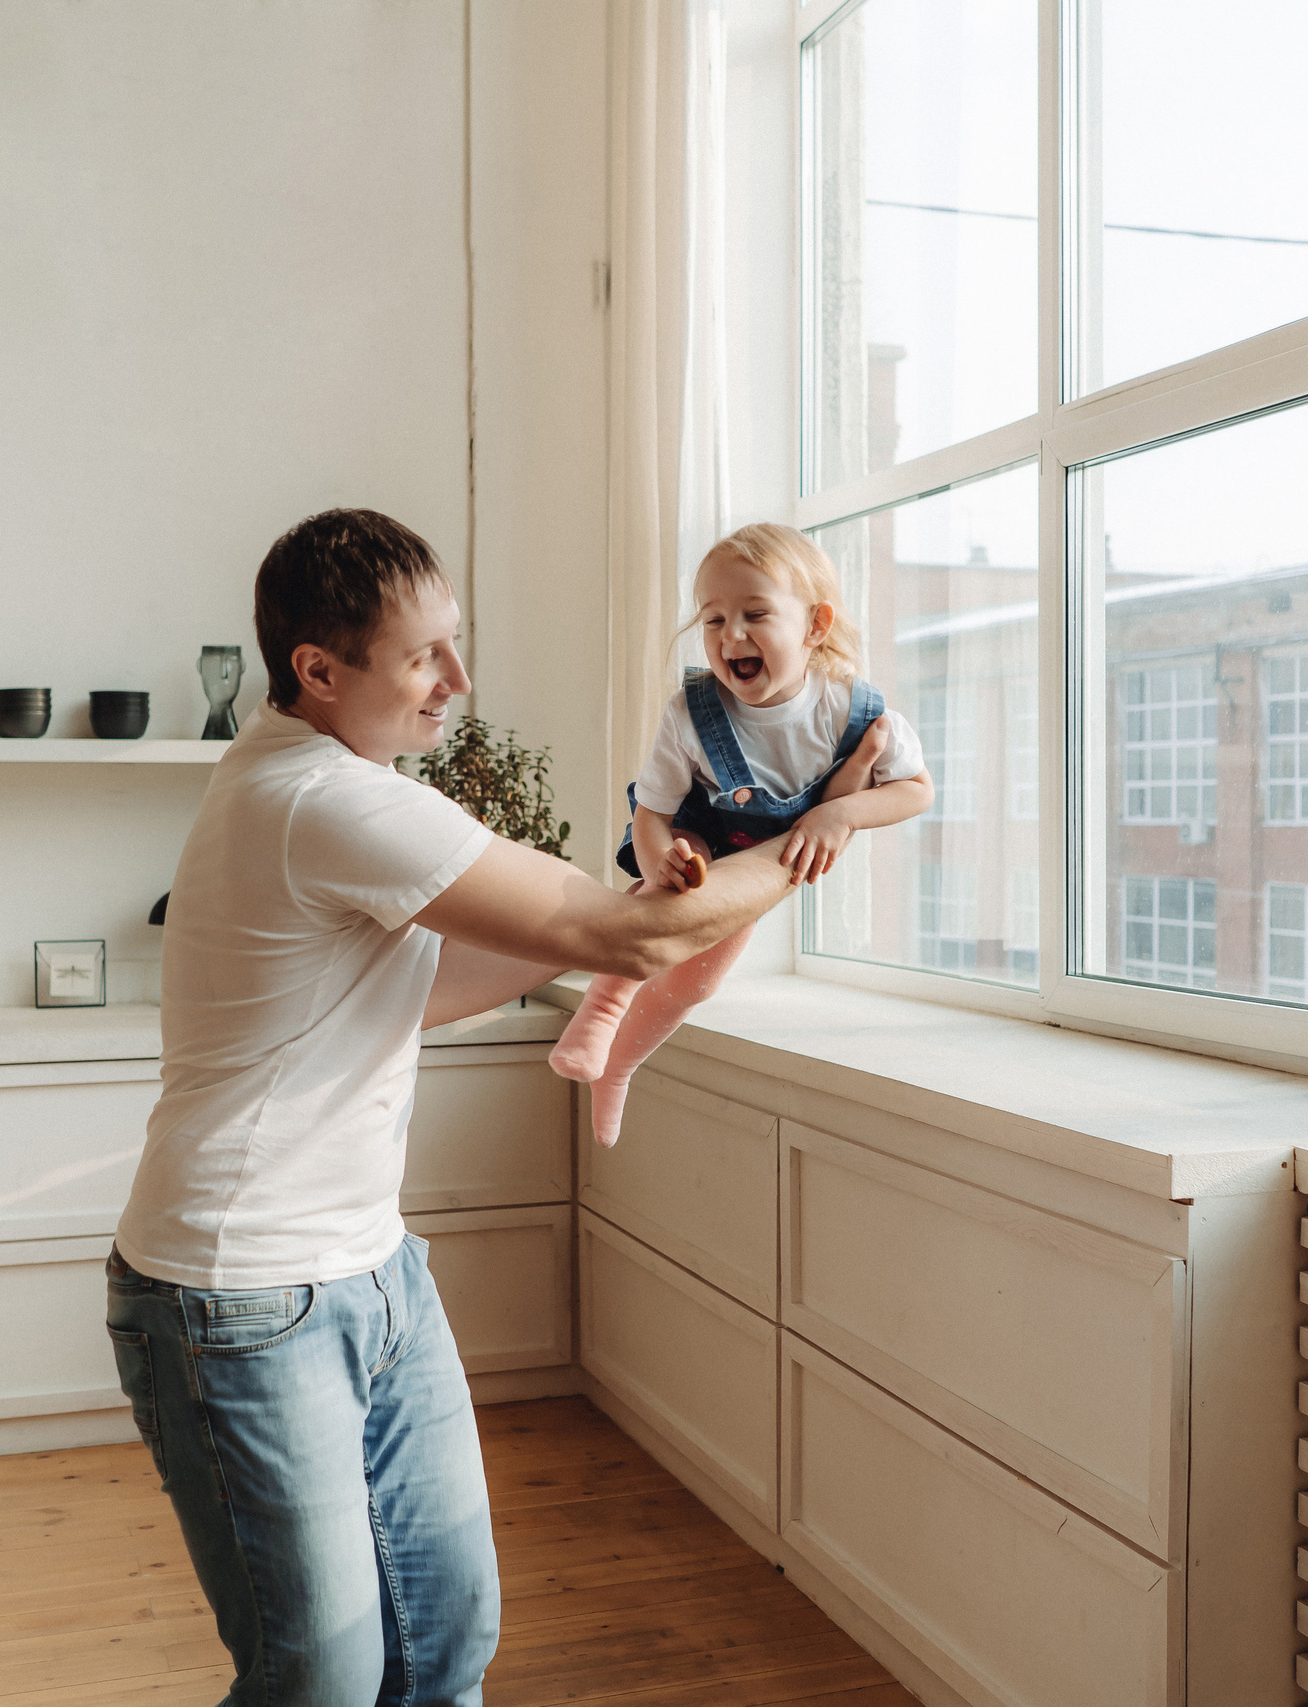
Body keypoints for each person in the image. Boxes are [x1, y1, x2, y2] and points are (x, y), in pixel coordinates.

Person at [108, 508, 812, 1707]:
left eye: (455, 642)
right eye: (423, 655)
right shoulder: (324, 798)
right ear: (319, 671)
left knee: (444, 1645)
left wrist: (639, 901)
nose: (458, 680)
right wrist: (810, 825)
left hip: (372, 1269)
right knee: (319, 1682)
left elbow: (430, 989)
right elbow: (623, 938)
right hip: (238, 1293)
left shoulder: (320, 783)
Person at [548, 522, 934, 1144]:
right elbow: (652, 812)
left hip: (753, 865)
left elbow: (917, 789)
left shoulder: (852, 710)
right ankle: (600, 1013)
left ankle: (618, 1069)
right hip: (695, 831)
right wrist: (659, 860)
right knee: (665, 905)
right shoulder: (691, 713)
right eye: (713, 619)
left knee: (696, 983)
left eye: (755, 614)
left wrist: (841, 813)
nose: (731, 635)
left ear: (814, 626)